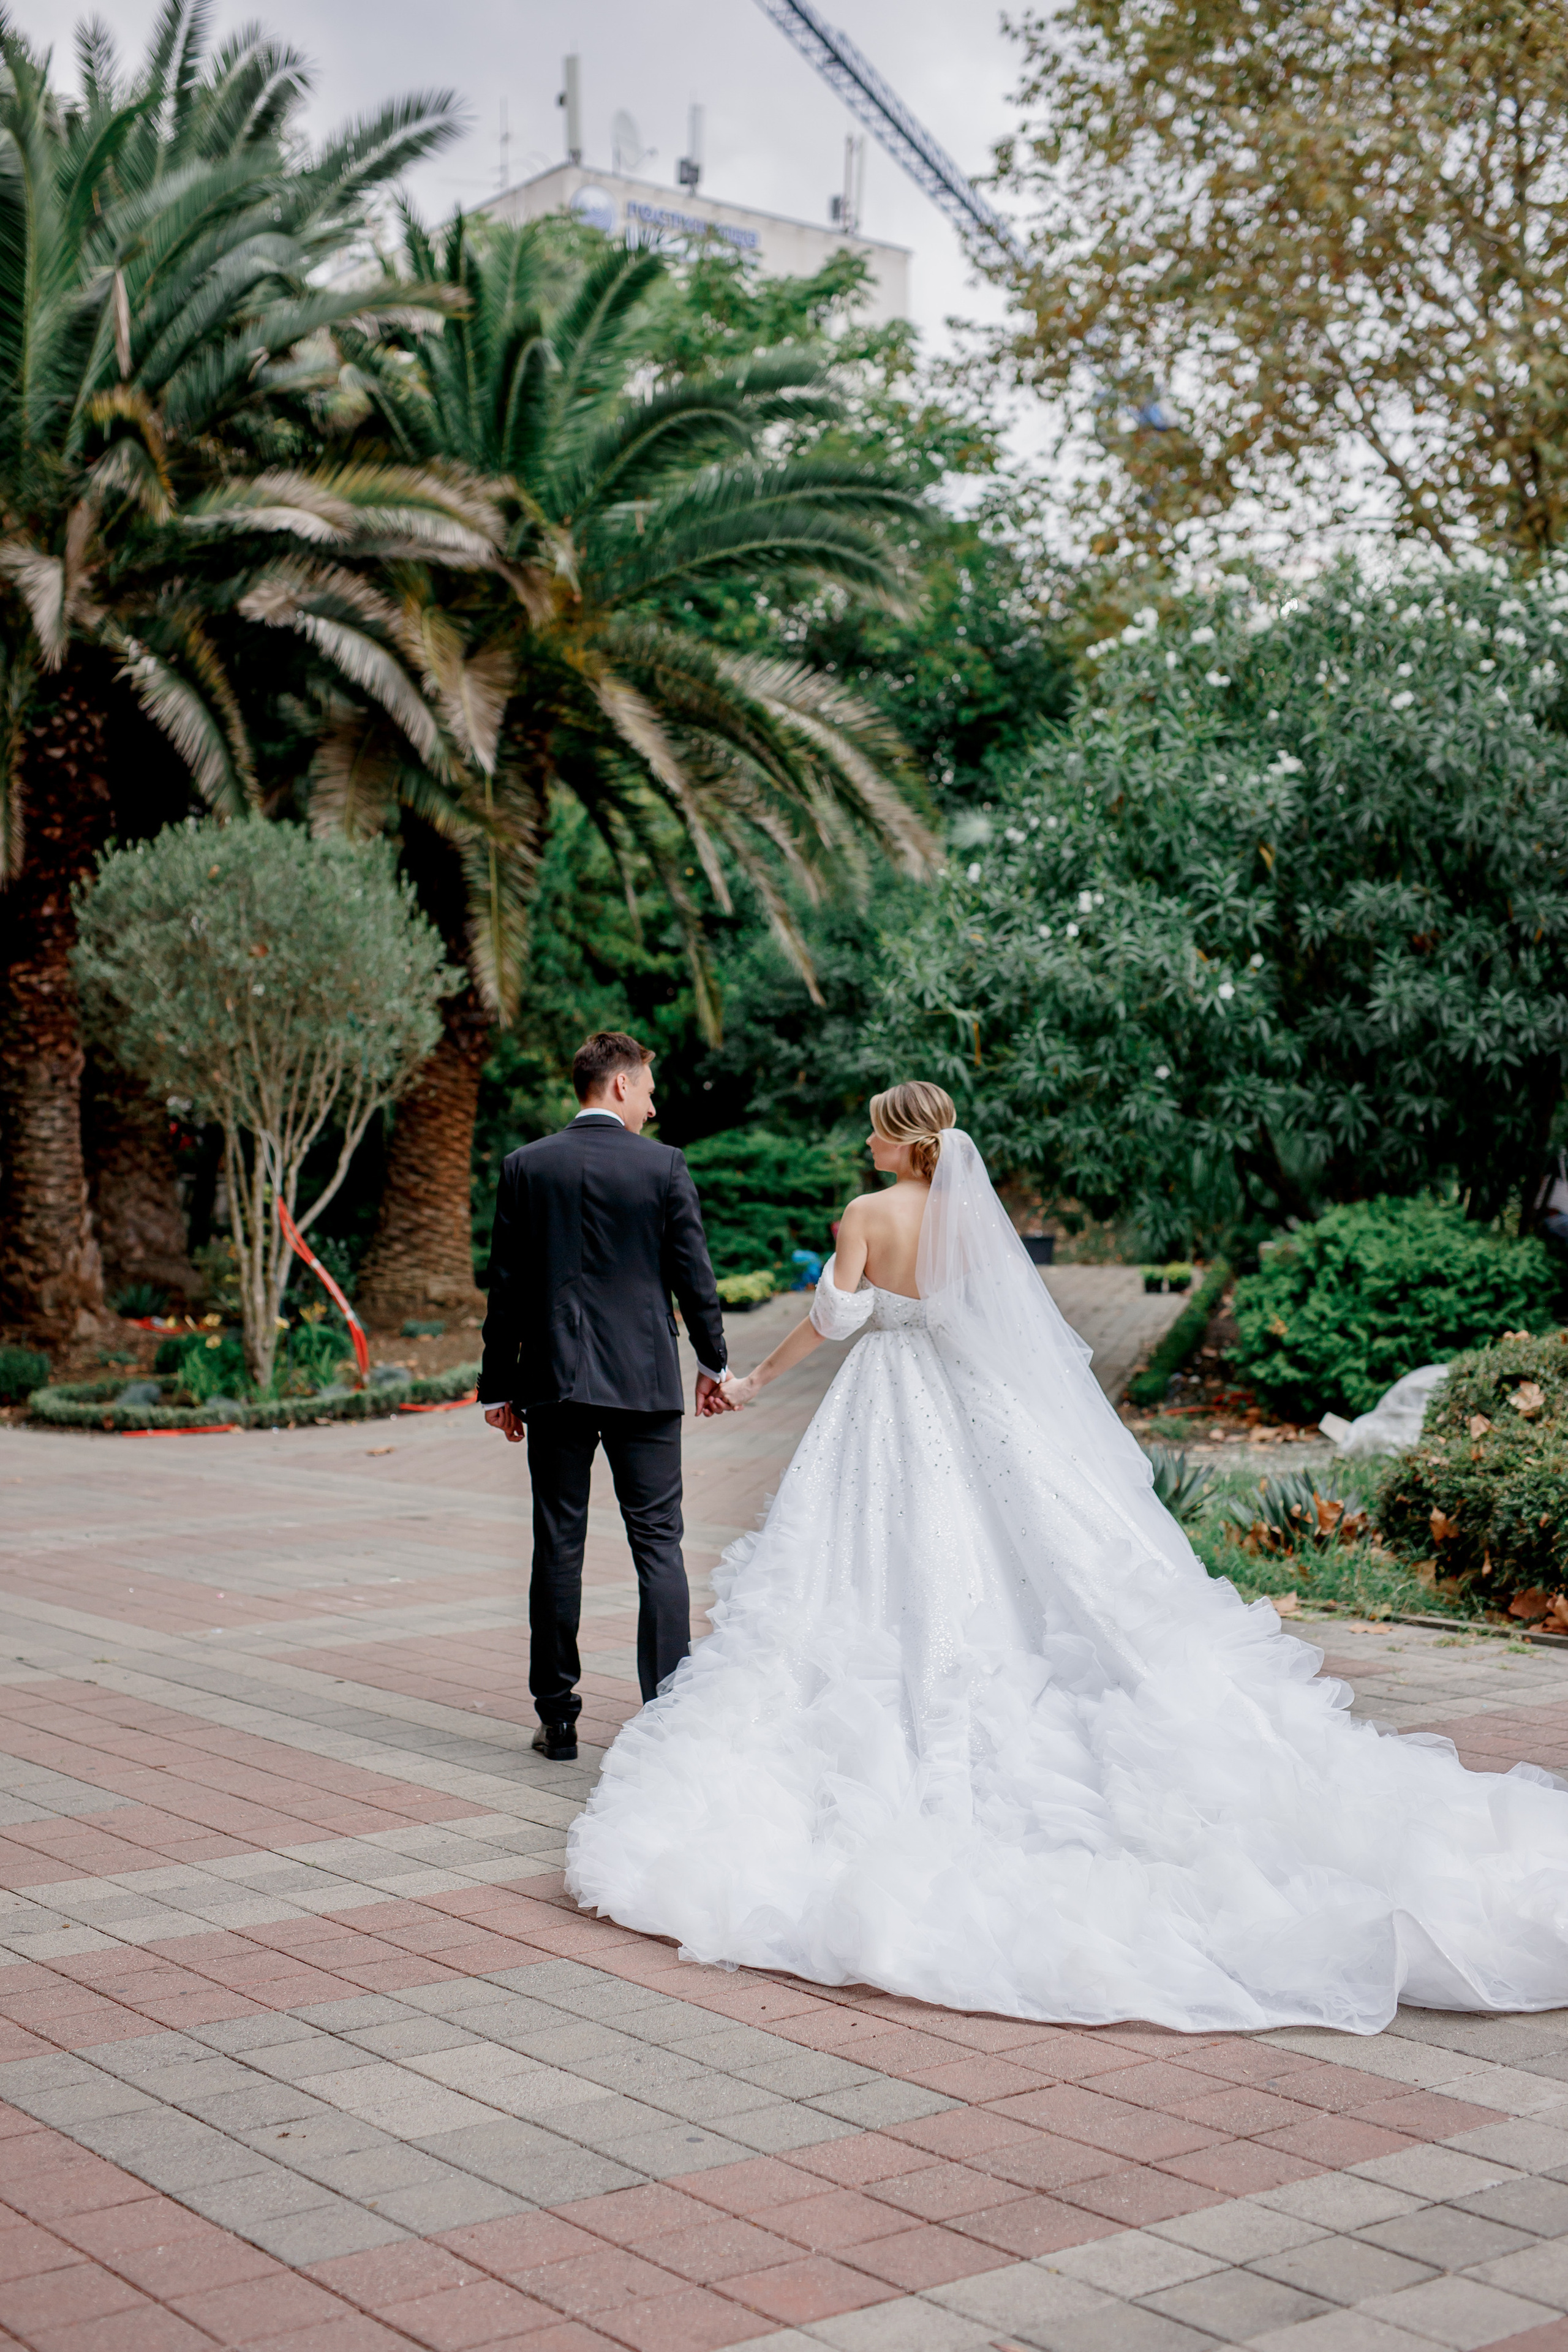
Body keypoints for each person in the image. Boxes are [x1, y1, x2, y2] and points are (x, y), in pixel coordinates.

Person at [567, 1080, 1568, 2033]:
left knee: (871, 1566)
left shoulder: (865, 1215)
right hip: (971, 1403)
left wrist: (745, 1382)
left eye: (875, 1131)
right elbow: (991, 1323)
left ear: (902, 1139)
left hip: (884, 1406)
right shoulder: (966, 1220)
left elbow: (834, 1319)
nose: (864, 1143)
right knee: (1018, 1552)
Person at [479, 1031, 732, 1763]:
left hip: (553, 1385)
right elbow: (695, 1276)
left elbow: (507, 1291)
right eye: (648, 1089)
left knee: (557, 1544)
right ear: (619, 1085)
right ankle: (667, 1714)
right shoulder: (663, 1167)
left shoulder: (526, 1167)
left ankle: (557, 1718)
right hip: (644, 1384)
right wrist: (713, 1361)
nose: (654, 1106)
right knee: (659, 1545)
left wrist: (498, 1387)